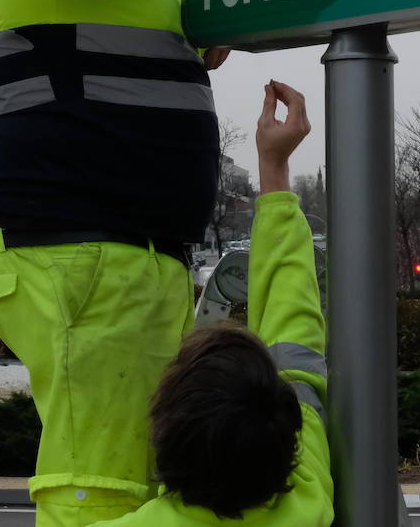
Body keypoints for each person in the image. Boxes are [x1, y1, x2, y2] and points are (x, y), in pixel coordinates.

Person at [0, 0, 300, 527]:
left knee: (145, 484)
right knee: (103, 491)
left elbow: (201, 22)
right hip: (83, 252)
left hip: (126, 258)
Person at [99, 79, 332, 525]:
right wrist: (274, 167)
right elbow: (297, 340)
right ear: (291, 441)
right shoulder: (310, 499)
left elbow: (294, 353)